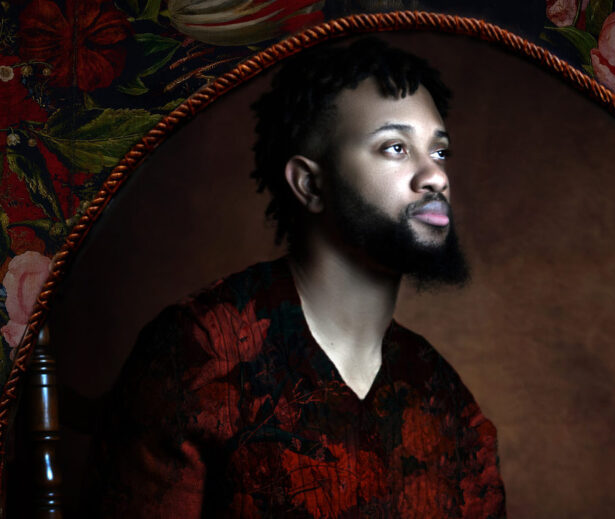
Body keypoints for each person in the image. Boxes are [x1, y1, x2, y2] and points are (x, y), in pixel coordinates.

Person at [88, 37, 506, 518]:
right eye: (395, 147)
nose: (434, 176)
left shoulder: (442, 393)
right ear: (310, 183)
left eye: (440, 152)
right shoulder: (199, 352)